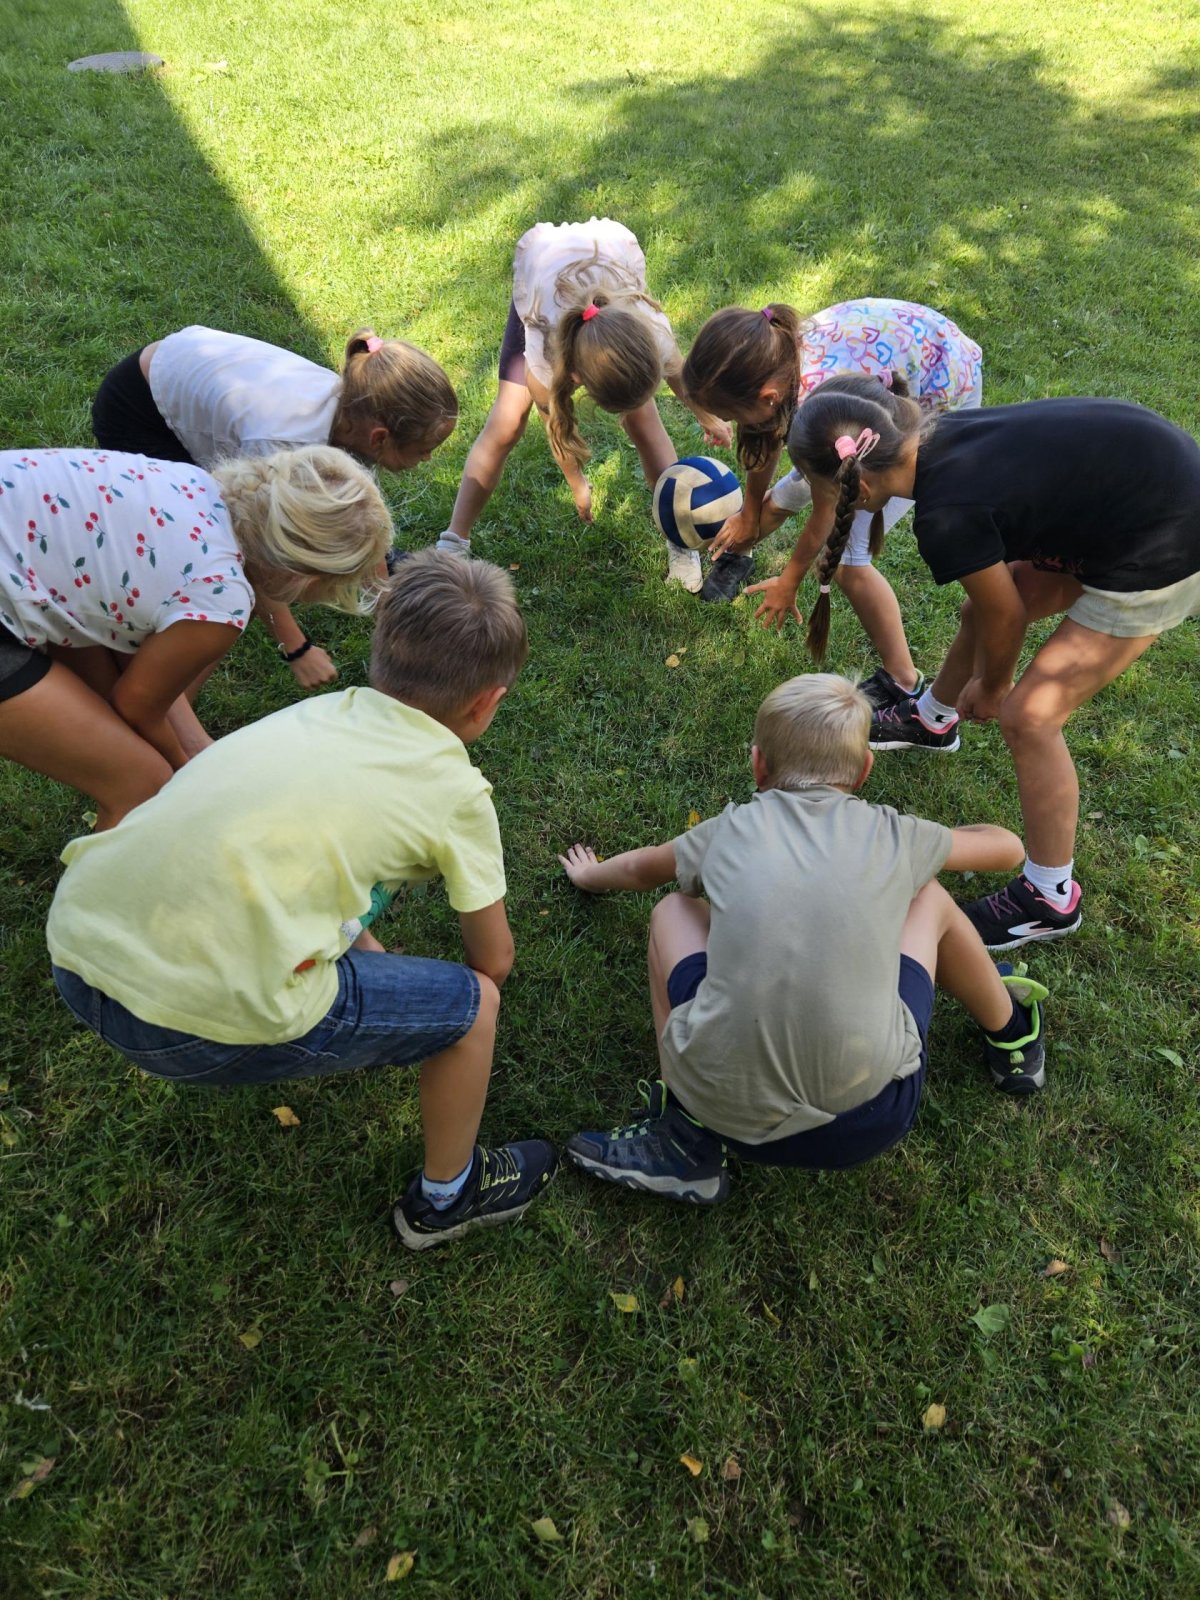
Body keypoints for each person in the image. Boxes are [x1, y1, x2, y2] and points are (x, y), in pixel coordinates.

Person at [47, 551, 558, 1249]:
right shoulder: (458, 794)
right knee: (475, 1011)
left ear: (380, 651)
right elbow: (493, 960)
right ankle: (448, 1198)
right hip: (183, 1025)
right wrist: (429, 1009)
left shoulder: (319, 713)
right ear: (487, 702)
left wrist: (373, 959)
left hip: (78, 943)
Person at [556, 674, 1048, 1204]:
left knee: (672, 909)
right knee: (928, 896)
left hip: (724, 1112)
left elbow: (638, 871)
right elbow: (1008, 849)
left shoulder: (725, 832)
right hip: (875, 1116)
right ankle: (1012, 1034)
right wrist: (930, 843)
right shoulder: (895, 834)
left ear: (758, 765)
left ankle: (683, 1135)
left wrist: (590, 876)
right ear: (864, 770)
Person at [784, 380, 1200, 948]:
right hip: (1137, 494)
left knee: (1029, 718)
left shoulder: (946, 515)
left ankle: (1049, 897)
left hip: (1167, 538)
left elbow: (1005, 616)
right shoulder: (940, 438)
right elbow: (992, 605)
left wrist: (993, 683)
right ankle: (933, 720)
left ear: (861, 483)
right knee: (976, 609)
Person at [0, 444, 391, 829]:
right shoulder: (220, 598)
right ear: (307, 579)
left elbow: (130, 683)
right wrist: (185, 771)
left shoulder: (191, 483)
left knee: (111, 717)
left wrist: (192, 749)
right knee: (143, 784)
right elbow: (136, 705)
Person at [92, 326, 458, 685]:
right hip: (140, 411)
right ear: (380, 438)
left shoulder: (358, 410)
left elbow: (358, 516)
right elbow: (258, 559)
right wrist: (297, 648)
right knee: (219, 579)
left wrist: (386, 605)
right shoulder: (283, 441)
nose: (427, 459)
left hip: (177, 369)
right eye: (425, 449)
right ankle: (163, 698)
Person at [682, 298, 981, 708]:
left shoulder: (816, 399)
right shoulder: (773, 355)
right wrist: (751, 512)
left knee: (846, 562)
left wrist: (789, 581)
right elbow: (768, 435)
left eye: (734, 416)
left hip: (942, 390)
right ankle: (742, 545)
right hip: (908, 356)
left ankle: (903, 680)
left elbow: (827, 506)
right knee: (799, 487)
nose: (734, 425)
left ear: (768, 397)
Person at [436, 218, 731, 590]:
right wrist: (577, 483)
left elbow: (678, 373)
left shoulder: (648, 329)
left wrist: (706, 415)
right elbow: (556, 423)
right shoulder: (546, 361)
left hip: (608, 261)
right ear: (576, 378)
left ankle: (679, 537)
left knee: (644, 421)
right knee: (507, 422)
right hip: (544, 276)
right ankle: (453, 542)